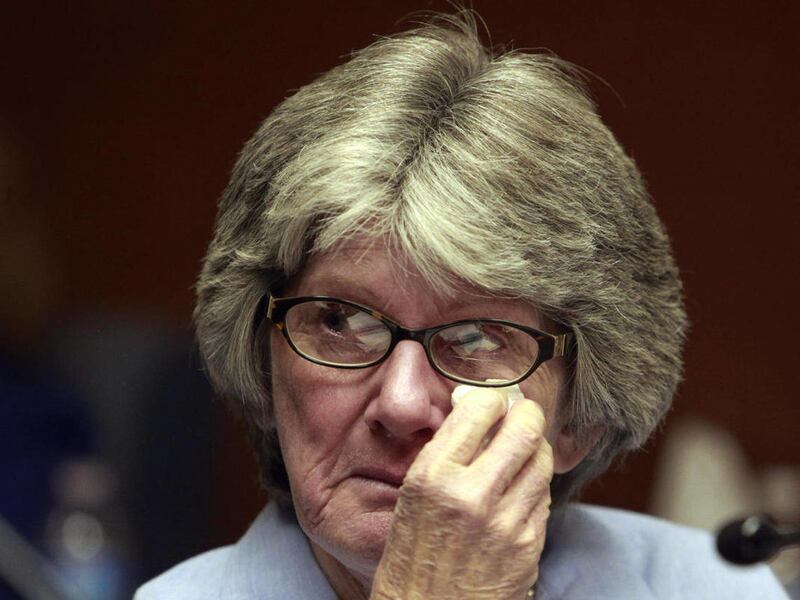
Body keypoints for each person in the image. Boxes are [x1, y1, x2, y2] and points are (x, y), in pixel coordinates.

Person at [135, 11, 789, 600]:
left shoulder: (713, 587)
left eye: (476, 340)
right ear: (263, 366)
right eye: (340, 321)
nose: (401, 404)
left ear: (577, 423)